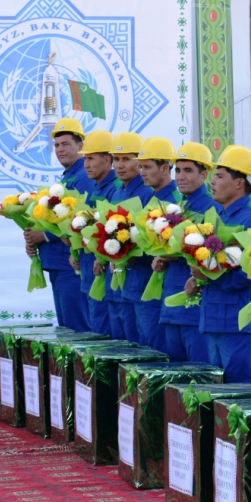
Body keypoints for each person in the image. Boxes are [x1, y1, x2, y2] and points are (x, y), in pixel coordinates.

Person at [188, 146, 251, 379]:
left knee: (240, 395)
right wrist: (196, 278)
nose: (213, 182)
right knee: (218, 397)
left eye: (220, 176)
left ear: (239, 183)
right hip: (214, 318)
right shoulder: (218, 216)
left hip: (238, 322)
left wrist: (209, 276)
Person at [23, 117, 92, 332]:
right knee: (67, 329)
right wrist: (32, 236)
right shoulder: (69, 177)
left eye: (66, 144)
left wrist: (44, 236)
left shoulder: (84, 177)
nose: (60, 150)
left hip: (70, 264)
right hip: (59, 264)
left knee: (76, 330)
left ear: (81, 146)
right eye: (57, 145)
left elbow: (82, 219)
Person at [154, 142, 220, 361]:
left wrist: (169, 254)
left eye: (188, 170)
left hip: (195, 306)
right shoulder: (178, 207)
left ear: (204, 175)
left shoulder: (212, 209)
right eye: (178, 170)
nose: (180, 176)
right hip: (172, 302)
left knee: (197, 378)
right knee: (175, 379)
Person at [133, 137, 182, 357]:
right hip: (147, 285)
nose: (142, 172)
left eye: (147, 167)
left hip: (164, 288)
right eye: (141, 167)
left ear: (164, 168)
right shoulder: (151, 199)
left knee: (157, 354)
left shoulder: (174, 202)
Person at [106, 132, 153, 346]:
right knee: (122, 345)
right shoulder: (117, 194)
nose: (120, 165)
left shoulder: (148, 193)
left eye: (127, 159)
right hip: (120, 280)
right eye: (117, 159)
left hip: (142, 278)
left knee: (140, 345)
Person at [77, 130, 119, 337]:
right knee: (96, 328)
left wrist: (101, 257)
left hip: (104, 269)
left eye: (91, 158)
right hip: (90, 268)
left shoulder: (114, 189)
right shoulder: (97, 187)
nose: (86, 164)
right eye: (85, 158)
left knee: (105, 332)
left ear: (106, 159)